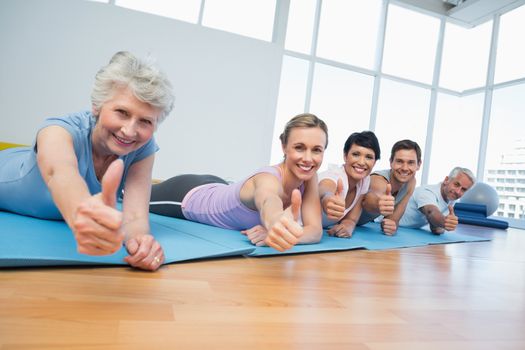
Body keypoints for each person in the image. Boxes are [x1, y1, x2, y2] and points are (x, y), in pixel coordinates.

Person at [0, 51, 175, 271]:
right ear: (97, 106)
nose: (129, 130)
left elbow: (135, 216)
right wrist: (83, 213)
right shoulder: (58, 131)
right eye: (122, 112)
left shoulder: (143, 147)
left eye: (145, 121)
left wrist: (140, 243)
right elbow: (60, 174)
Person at [149, 113, 328, 252]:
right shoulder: (268, 179)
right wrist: (274, 222)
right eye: (299, 147)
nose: (308, 158)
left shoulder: (310, 177)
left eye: (316, 150)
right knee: (127, 194)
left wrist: (279, 234)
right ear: (284, 146)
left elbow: (315, 232)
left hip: (220, 185)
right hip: (187, 195)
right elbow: (268, 199)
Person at [318, 131, 380, 238]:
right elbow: (325, 187)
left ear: (374, 162)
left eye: (369, 157)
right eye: (356, 154)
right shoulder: (335, 175)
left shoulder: (364, 180)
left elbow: (351, 219)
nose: (361, 162)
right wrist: (327, 198)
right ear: (345, 156)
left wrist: (348, 226)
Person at [357, 139, 422, 235]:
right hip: (337, 220)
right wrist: (379, 203)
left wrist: (391, 225)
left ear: (418, 165)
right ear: (391, 162)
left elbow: (393, 219)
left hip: (357, 226)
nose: (404, 168)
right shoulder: (379, 179)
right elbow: (369, 200)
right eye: (399, 161)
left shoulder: (411, 182)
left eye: (411, 163)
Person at [399, 167, 476, 234]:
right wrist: (444, 222)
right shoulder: (427, 192)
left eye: (463, 189)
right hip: (393, 225)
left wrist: (440, 225)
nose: (458, 191)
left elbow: (436, 229)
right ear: (446, 180)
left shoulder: (451, 198)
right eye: (456, 184)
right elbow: (431, 212)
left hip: (409, 230)